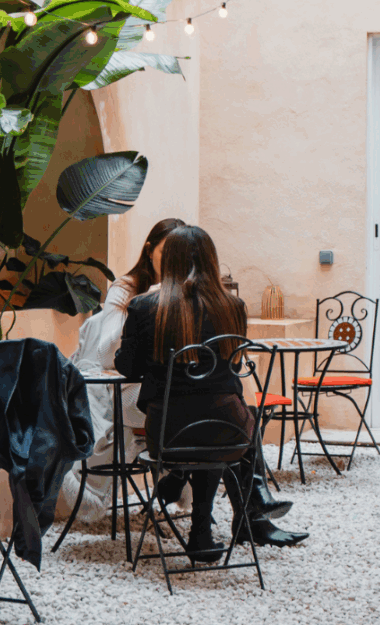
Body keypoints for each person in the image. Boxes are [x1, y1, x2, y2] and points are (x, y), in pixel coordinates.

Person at [114, 225, 307, 562]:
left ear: (169, 262)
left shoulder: (144, 307)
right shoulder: (233, 306)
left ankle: (184, 493)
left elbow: (127, 368)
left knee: (203, 420)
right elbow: (232, 367)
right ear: (211, 261)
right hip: (227, 432)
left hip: (168, 433)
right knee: (224, 417)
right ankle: (234, 512)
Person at [63, 217, 186, 518]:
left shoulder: (186, 291)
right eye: (165, 253)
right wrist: (145, 307)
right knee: (183, 410)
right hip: (131, 390)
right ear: (149, 250)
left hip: (170, 387)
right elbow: (108, 355)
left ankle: (184, 477)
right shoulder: (127, 289)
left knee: (213, 401)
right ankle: (176, 474)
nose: (172, 262)